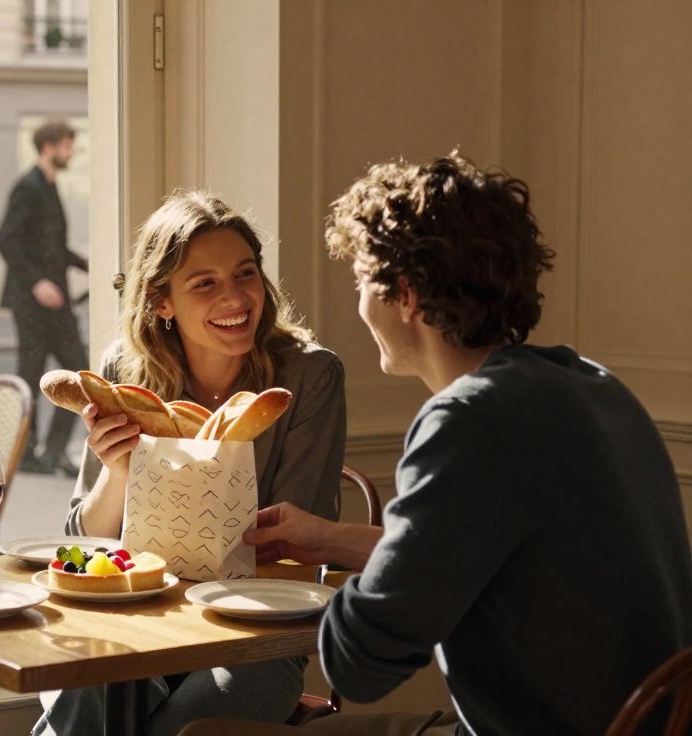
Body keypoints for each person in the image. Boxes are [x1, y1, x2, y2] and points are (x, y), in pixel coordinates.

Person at [182, 153, 692, 736]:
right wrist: (329, 539)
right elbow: (487, 553)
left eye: (361, 281)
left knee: (202, 734)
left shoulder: (466, 423)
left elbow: (359, 665)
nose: (359, 305)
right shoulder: (590, 386)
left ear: (404, 295)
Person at [31, 191, 347, 735]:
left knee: (181, 727)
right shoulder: (123, 373)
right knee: (88, 689)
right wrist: (118, 472)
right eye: (205, 283)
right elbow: (83, 544)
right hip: (140, 619)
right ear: (161, 302)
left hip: (255, 633)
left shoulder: (308, 377)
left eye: (245, 274)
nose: (236, 298)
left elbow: (301, 543)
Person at [0, 120, 89, 476]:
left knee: (78, 376)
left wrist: (82, 262)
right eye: (68, 145)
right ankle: (27, 454)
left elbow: (49, 246)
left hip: (56, 301)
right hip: (32, 302)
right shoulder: (28, 186)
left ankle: (52, 452)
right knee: (32, 375)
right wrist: (37, 283)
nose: (72, 152)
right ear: (49, 147)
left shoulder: (49, 187)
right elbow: (7, 240)